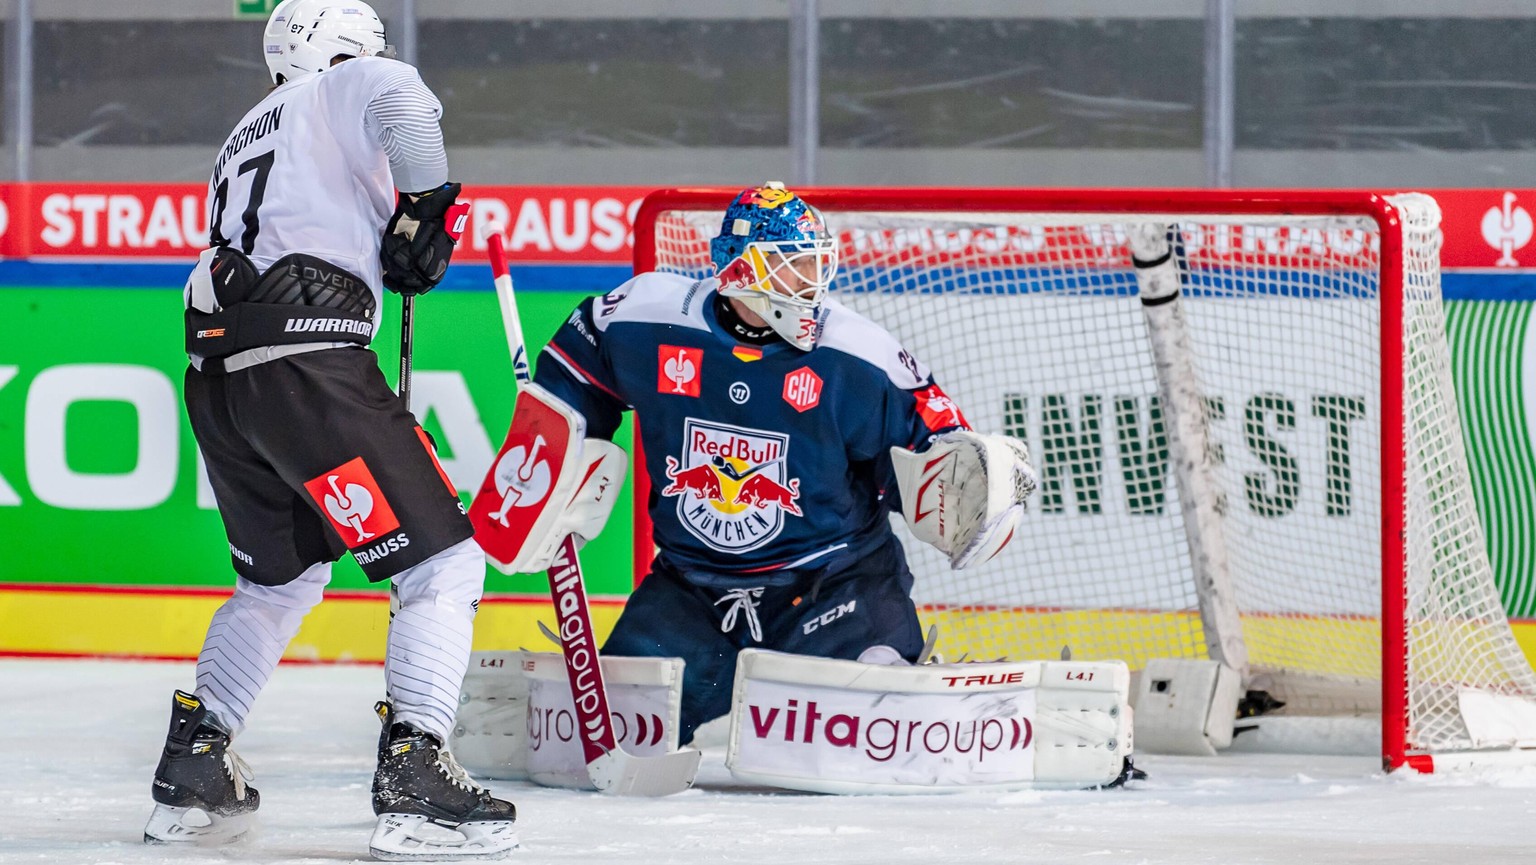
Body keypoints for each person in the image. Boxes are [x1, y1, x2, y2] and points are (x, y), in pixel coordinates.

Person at [145, 1, 516, 859]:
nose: (378, 55)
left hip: (222, 378)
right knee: (443, 564)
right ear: (341, 48)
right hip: (310, 365)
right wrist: (423, 210)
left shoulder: (246, 131)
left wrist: (385, 231)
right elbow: (405, 103)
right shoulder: (345, 84)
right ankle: (417, 773)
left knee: (281, 580)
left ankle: (194, 768)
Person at [521, 182, 1035, 745]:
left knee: (882, 729)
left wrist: (969, 487)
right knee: (599, 738)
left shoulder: (858, 356)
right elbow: (578, 362)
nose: (810, 285)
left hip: (836, 585)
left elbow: (939, 448)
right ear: (739, 269)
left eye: (816, 266)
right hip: (690, 590)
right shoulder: (647, 316)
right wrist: (557, 458)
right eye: (791, 267)